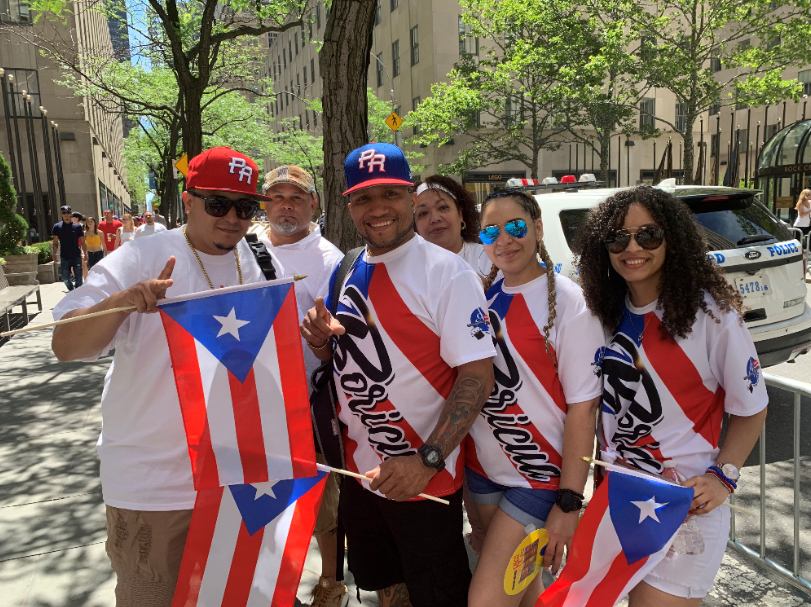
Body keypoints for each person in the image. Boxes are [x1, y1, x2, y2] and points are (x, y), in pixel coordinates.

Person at [50, 147, 283, 606]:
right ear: (188, 199)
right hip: (154, 486)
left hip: (239, 479)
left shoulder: (258, 261)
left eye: (246, 206)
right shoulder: (143, 256)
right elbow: (66, 345)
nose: (233, 218)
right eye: (218, 203)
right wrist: (122, 301)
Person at [301, 143, 496, 607]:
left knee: (437, 593)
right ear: (348, 205)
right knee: (385, 589)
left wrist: (426, 460)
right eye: (364, 198)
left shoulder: (448, 273)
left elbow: (477, 375)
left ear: (410, 196)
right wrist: (321, 343)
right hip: (360, 471)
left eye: (390, 193)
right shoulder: (346, 268)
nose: (378, 208)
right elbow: (341, 359)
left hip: (424, 477)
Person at [577, 185, 768, 606]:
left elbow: (752, 408)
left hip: (684, 509)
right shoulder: (604, 314)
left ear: (673, 239)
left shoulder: (712, 314)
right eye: (618, 238)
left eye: (648, 235)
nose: (633, 247)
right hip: (621, 501)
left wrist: (724, 477)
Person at [466, 190, 604, 607]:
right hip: (482, 474)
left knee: (486, 600)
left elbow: (584, 408)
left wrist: (569, 501)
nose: (504, 239)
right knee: (525, 592)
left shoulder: (571, 303)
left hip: (539, 477)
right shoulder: (478, 298)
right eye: (492, 230)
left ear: (538, 228)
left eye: (516, 227)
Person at [260, 164, 345, 607]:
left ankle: (331, 583)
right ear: (265, 203)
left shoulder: (331, 260)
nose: (286, 205)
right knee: (264, 498)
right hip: (254, 401)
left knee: (322, 503)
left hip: (310, 401)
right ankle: (274, 585)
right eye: (277, 196)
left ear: (313, 204)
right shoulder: (243, 248)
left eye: (297, 197)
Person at [414, 176, 492, 279]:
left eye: (443, 207)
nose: (435, 218)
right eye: (423, 213)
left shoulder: (490, 257)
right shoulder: (409, 270)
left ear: (460, 214)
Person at [52, 205, 86, 291]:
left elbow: (83, 241)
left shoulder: (77, 227)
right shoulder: (57, 227)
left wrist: (85, 253)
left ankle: (77, 293)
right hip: (64, 256)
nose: (66, 215)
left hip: (76, 255)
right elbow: (55, 242)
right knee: (65, 277)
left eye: (68, 213)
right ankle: (71, 290)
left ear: (71, 214)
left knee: (79, 278)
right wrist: (54, 253)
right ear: (61, 214)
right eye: (64, 213)